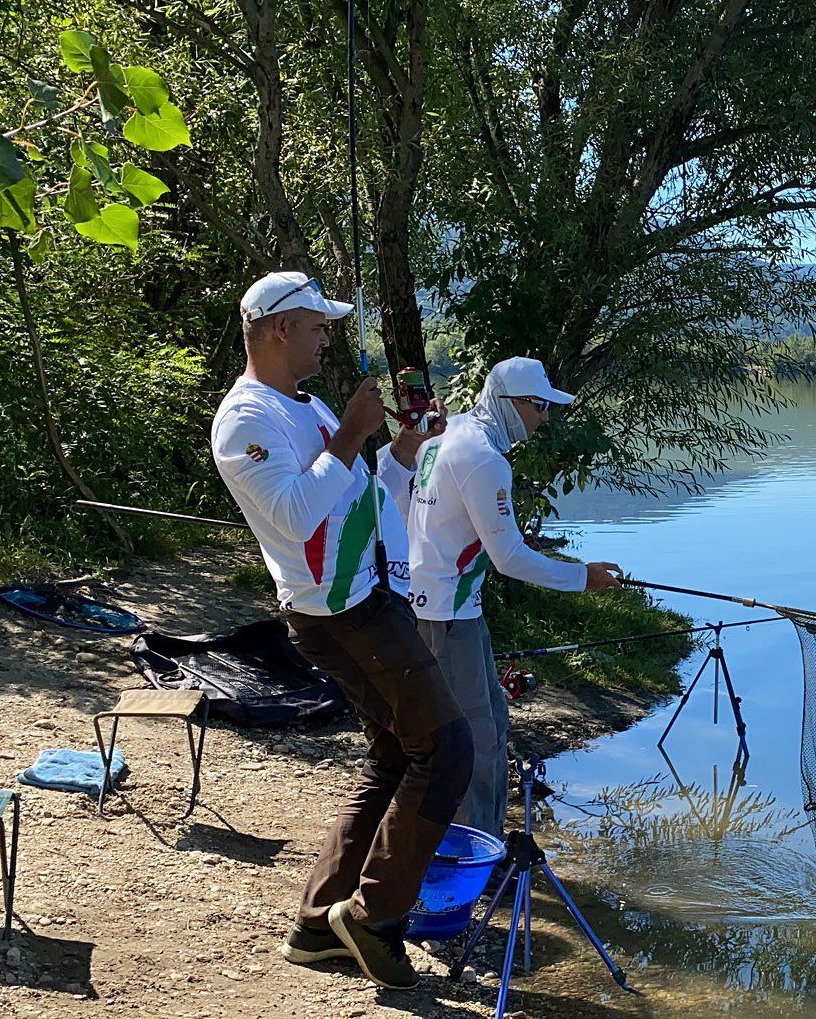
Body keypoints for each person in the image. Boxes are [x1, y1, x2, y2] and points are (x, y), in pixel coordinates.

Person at [210, 270, 470, 991]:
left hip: (362, 598)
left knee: (394, 754)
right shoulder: (245, 420)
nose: (328, 336)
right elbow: (296, 515)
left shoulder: (302, 405)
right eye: (319, 325)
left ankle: (317, 927)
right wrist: (354, 431)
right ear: (278, 329)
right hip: (340, 611)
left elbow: (355, 486)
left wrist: (401, 450)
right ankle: (375, 915)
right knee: (446, 749)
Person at [408, 357, 622, 838]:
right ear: (511, 404)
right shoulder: (484, 458)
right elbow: (508, 557)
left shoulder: (450, 434)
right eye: (540, 405)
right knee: (474, 740)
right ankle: (473, 854)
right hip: (446, 615)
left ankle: (486, 837)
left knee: (494, 721)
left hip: (454, 607)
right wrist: (580, 577)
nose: (545, 417)